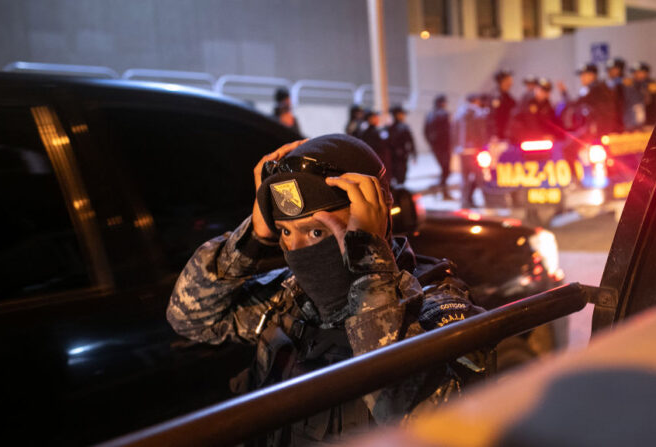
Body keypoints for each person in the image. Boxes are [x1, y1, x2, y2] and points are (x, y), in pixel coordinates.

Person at [167, 134, 483, 445]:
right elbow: (192, 318)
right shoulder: (290, 297)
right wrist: (253, 237)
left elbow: (438, 428)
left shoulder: (435, 306)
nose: (295, 248)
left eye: (317, 231)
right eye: (284, 231)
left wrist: (370, 266)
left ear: (375, 216)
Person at [558, 62, 619, 137]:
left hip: (600, 132)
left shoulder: (595, 89)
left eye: (584, 75)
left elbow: (574, 104)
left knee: (569, 147)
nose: (581, 78)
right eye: (581, 75)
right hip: (600, 130)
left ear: (592, 75)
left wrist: (564, 92)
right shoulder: (597, 87)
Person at [453, 94, 488, 208]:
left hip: (462, 150)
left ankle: (464, 201)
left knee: (464, 177)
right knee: (479, 176)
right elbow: (481, 132)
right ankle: (486, 200)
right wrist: (483, 147)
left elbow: (453, 131)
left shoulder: (458, 114)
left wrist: (456, 147)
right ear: (476, 101)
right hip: (474, 150)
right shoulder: (478, 113)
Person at [509, 78, 564, 143]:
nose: (543, 93)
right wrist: (542, 136)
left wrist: (555, 134)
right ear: (536, 89)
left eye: (546, 91)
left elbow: (549, 120)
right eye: (541, 90)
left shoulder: (546, 103)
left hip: (534, 135)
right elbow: (530, 121)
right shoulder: (528, 99)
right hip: (520, 135)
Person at [424, 95, 452, 199]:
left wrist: (431, 143)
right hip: (444, 146)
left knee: (444, 169)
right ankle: (441, 190)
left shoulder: (430, 115)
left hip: (436, 147)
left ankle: (440, 190)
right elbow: (449, 131)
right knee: (446, 170)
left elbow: (425, 131)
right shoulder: (444, 114)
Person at [358, 110, 392, 184]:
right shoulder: (369, 132)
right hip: (376, 162)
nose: (377, 119)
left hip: (379, 162)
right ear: (369, 119)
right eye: (374, 117)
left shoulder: (378, 130)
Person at [386, 105, 416, 185]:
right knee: (398, 176)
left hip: (402, 156)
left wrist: (413, 153)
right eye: (401, 114)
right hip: (395, 157)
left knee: (401, 176)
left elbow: (410, 141)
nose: (403, 116)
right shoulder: (390, 128)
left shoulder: (403, 127)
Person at [490, 69, 517, 141]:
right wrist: (495, 135)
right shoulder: (496, 97)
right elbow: (493, 117)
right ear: (502, 81)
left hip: (508, 134)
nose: (511, 82)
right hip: (500, 137)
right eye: (509, 79)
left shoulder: (506, 96)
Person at [605, 58, 627, 132]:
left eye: (615, 69)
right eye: (610, 69)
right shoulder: (607, 84)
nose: (612, 72)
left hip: (625, 119)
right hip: (611, 119)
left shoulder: (626, 83)